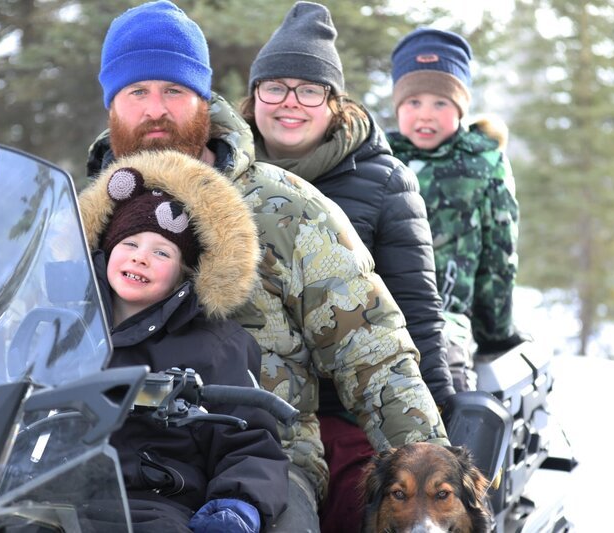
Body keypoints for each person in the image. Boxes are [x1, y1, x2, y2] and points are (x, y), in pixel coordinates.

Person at [86, 2, 449, 531]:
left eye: (174, 91)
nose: (155, 109)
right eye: (136, 92)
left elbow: (371, 352)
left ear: (203, 100)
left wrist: (432, 487)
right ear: (112, 104)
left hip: (260, 463)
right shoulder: (86, 215)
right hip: (97, 452)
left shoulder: (286, 208)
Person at [238, 3, 454, 530]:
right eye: (276, 88)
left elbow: (415, 308)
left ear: (334, 103)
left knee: (358, 504)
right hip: (251, 394)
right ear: (254, 97)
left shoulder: (384, 183)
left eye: (309, 90)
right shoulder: (224, 174)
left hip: (349, 402)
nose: (291, 103)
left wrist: (438, 416)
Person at [77, 149, 289, 532]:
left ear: (183, 275)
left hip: (147, 502)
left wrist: (238, 504)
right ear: (105, 251)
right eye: (129, 244)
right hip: (47, 489)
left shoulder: (213, 344)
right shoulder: (62, 323)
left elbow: (249, 440)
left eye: (161, 252)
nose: (141, 258)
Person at [387, 28, 525, 391]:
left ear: (461, 108)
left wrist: (495, 332)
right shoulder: (380, 158)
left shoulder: (484, 164)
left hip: (447, 314)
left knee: (446, 376)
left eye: (440, 103)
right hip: (381, 312)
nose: (425, 115)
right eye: (413, 103)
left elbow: (499, 256)